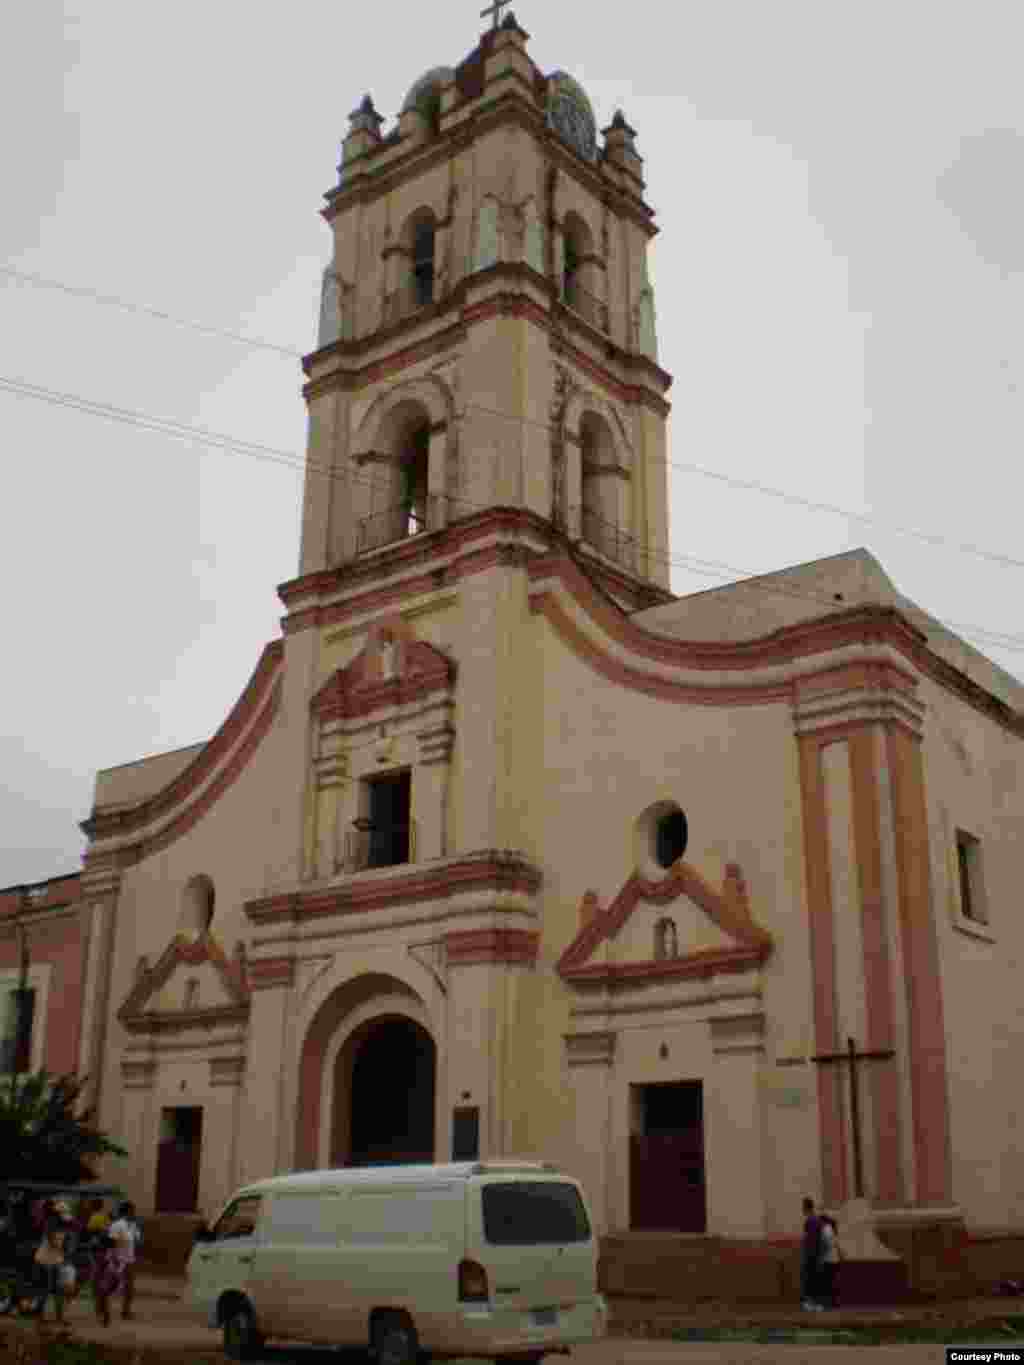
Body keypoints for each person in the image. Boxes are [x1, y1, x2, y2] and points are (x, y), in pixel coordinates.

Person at [108, 1201, 142, 1321]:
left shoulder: (132, 1225)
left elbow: (137, 1241)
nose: (134, 1213)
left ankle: (125, 1311)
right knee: (111, 1286)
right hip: (118, 1260)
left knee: (129, 1288)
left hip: (129, 1261)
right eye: (132, 1211)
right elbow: (111, 1244)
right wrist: (113, 1259)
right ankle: (102, 1304)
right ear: (127, 1211)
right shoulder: (117, 1225)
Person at [32, 1210, 68, 1323]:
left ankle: (58, 1317)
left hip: (55, 1262)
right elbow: (54, 1243)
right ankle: (40, 1317)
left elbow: (61, 1246)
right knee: (45, 1290)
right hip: (44, 1261)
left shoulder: (60, 1229)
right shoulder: (51, 1229)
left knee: (58, 1290)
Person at [800, 1196, 824, 1311]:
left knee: (809, 1279)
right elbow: (820, 1239)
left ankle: (810, 1303)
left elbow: (808, 1239)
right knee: (816, 1279)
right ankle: (817, 1303)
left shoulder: (809, 1221)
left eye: (803, 1207)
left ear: (805, 1208)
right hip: (817, 1253)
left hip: (810, 1254)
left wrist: (806, 1252)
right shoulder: (818, 1221)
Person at [818, 1214, 841, 1308]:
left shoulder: (826, 1229)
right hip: (833, 1259)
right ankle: (833, 1302)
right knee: (832, 1282)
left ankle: (830, 1303)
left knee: (828, 1282)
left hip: (828, 1260)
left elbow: (827, 1244)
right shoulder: (830, 1229)